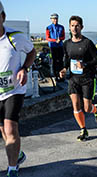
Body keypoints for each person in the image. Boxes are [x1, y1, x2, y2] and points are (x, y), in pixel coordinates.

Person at [0, 1, 36, 176]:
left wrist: (24, 68)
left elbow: (32, 52)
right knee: (3, 130)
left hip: (14, 90)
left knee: (10, 128)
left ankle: (12, 168)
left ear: (3, 17)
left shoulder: (16, 37)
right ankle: (18, 155)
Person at [59, 15, 97, 141]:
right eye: (72, 25)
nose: (74, 28)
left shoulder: (87, 43)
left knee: (87, 108)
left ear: (81, 27)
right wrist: (64, 69)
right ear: (69, 27)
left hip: (87, 78)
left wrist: (85, 64)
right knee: (75, 106)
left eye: (77, 26)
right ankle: (83, 129)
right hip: (73, 79)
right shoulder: (66, 44)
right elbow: (66, 59)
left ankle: (96, 109)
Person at [46, 13, 65, 82]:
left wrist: (60, 39)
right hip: (53, 46)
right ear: (51, 19)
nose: (55, 20)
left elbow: (63, 36)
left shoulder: (61, 27)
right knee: (54, 61)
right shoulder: (48, 27)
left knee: (61, 61)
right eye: (54, 19)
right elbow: (47, 38)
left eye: (56, 19)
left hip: (60, 46)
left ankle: (62, 76)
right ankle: (56, 75)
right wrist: (54, 40)